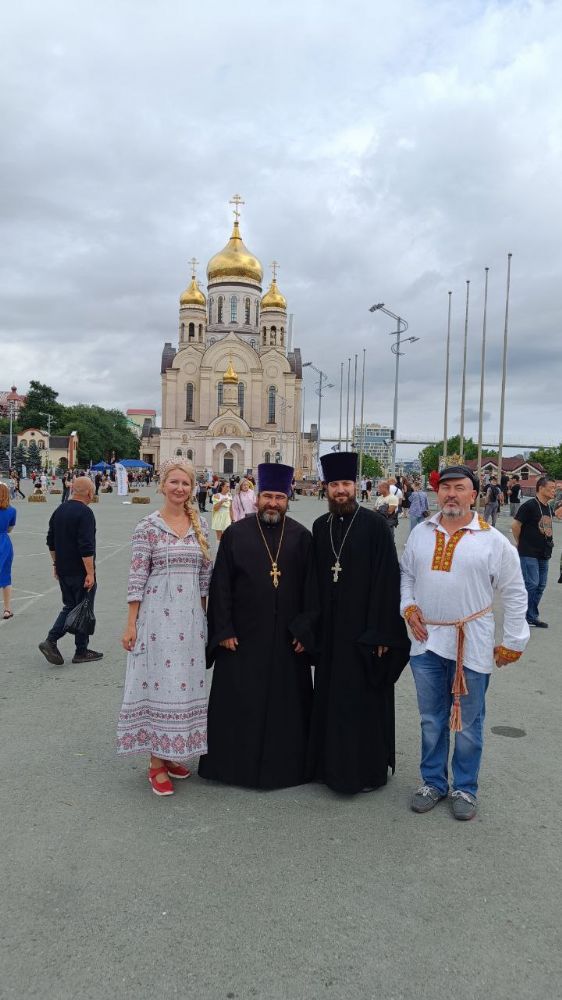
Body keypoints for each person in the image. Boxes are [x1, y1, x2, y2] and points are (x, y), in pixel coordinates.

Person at [400, 465, 530, 821]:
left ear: (474, 495)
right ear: (437, 493)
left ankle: (465, 788)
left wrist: (514, 640)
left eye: (459, 488)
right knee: (431, 719)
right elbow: (407, 574)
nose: (451, 494)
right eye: (446, 488)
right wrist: (408, 606)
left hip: (471, 644)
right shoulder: (421, 533)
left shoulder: (493, 540)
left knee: (469, 723)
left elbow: (515, 592)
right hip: (426, 643)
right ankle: (433, 782)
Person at [198, 463, 317, 790]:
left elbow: (312, 590)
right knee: (240, 704)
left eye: (280, 497)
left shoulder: (302, 537)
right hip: (242, 638)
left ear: (288, 498)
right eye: (268, 496)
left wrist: (305, 631)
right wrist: (223, 629)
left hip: (287, 640)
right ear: (257, 498)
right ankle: (231, 769)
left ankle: (287, 770)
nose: (273, 503)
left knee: (285, 707)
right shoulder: (236, 534)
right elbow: (221, 585)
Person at [307, 452, 410, 795]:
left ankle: (365, 771)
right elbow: (313, 582)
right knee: (330, 698)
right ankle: (327, 767)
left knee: (362, 701)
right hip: (331, 633)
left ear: (355, 487)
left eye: (346, 484)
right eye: (334, 484)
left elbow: (388, 579)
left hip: (365, 633)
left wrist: (382, 633)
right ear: (326, 488)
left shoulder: (376, 525)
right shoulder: (320, 527)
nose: (340, 490)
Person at [117, 459, 212, 796]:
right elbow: (137, 576)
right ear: (162, 485)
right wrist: (131, 624)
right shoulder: (148, 526)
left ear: (192, 488)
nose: (179, 488)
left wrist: (205, 619)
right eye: (174, 482)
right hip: (157, 619)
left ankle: (170, 752)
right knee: (160, 686)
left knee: (182, 686)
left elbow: (205, 578)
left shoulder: (200, 524)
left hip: (190, 620)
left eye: (185, 483)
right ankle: (156, 762)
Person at [38, 476, 102, 666]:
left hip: (63, 568)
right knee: (82, 607)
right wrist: (90, 573)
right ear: (89, 493)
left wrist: (56, 564)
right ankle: (54, 640)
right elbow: (86, 546)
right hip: (79, 569)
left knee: (73, 605)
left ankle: (80, 649)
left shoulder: (60, 510)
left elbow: (50, 541)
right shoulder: (85, 513)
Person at [512, 476, 562, 628]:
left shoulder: (547, 507)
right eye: (551, 488)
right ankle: (522, 616)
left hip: (544, 552)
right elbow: (515, 525)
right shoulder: (529, 506)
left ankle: (531, 616)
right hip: (528, 552)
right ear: (541, 488)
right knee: (531, 584)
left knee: (540, 585)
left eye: (555, 488)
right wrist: (520, 543)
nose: (554, 491)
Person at [0, 483, 16, 620]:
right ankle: (7, 609)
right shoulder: (12, 510)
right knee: (5, 576)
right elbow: (10, 529)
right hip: (4, 543)